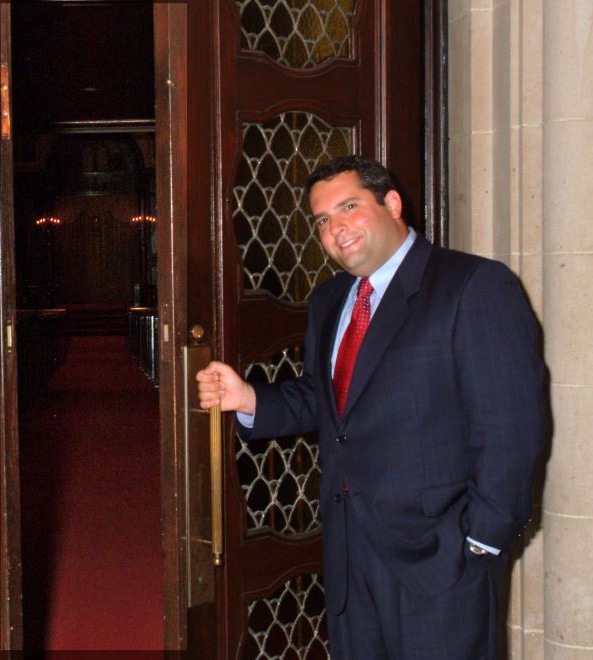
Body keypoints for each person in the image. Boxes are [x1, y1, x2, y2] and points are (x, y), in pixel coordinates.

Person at [197, 155, 545, 659]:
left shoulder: (473, 286)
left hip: (442, 562)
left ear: (392, 203)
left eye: (349, 207)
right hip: (349, 557)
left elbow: (512, 427)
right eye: (322, 220)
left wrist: (481, 543)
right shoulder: (329, 301)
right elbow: (329, 400)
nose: (336, 229)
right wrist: (247, 397)